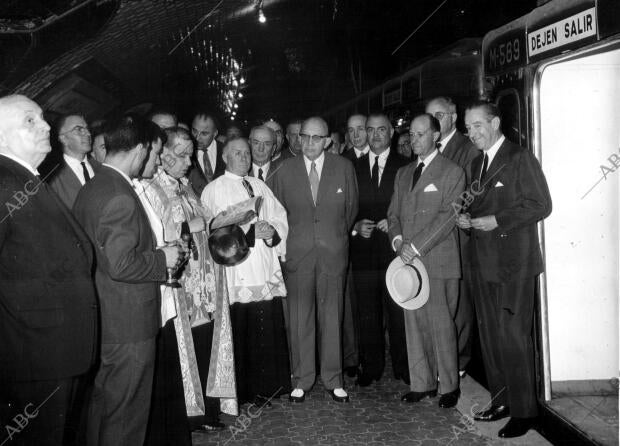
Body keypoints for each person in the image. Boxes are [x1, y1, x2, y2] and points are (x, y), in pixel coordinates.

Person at [74, 115, 183, 446]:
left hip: (108, 319)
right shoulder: (119, 194)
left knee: (105, 408)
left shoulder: (95, 186)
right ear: (141, 148)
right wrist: (162, 258)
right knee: (126, 416)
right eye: (155, 151)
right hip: (128, 323)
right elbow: (121, 264)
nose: (156, 160)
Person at [0, 94, 98, 446]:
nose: (45, 126)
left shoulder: (27, 179)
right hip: (30, 356)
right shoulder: (3, 181)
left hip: (54, 351)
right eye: (30, 121)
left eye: (42, 118)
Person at [458, 101, 551, 438]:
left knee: (512, 337)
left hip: (514, 265)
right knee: (492, 336)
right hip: (483, 262)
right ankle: (501, 401)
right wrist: (466, 220)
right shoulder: (475, 163)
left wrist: (496, 220)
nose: (472, 133)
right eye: (468, 128)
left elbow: (541, 204)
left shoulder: (518, 157)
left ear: (495, 122)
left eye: (478, 125)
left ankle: (525, 412)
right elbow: (474, 206)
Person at [141, 127, 235, 442]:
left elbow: (201, 221)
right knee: (185, 350)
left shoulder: (185, 184)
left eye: (190, 154)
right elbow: (158, 236)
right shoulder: (152, 189)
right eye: (182, 155)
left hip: (203, 283)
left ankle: (207, 412)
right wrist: (187, 227)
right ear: (163, 154)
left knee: (204, 342)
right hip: (180, 285)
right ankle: (190, 415)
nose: (188, 162)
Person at [273, 117, 358, 404]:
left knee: (333, 316)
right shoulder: (283, 170)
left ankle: (333, 379)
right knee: (300, 318)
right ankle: (302, 379)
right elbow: (277, 212)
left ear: (327, 141)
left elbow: (350, 211)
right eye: (303, 137)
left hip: (333, 255)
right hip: (298, 256)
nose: (308, 143)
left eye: (315, 138)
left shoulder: (343, 168)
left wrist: (331, 239)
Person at [202, 137, 291, 407]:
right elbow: (214, 232)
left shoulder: (259, 185)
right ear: (225, 157)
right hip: (237, 271)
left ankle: (267, 388)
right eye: (237, 153)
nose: (244, 157)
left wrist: (272, 231)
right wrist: (250, 233)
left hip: (263, 267)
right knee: (242, 328)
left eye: (246, 153)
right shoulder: (213, 190)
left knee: (265, 328)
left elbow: (279, 215)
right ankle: (243, 391)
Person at [387, 113, 465, 409]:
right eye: (411, 134)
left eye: (421, 134)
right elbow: (393, 214)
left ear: (435, 136)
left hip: (438, 261)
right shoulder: (404, 173)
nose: (414, 139)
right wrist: (397, 242)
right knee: (414, 323)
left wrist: (416, 246)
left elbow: (449, 216)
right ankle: (422, 383)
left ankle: (449, 386)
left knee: (442, 325)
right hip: (407, 262)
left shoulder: (452, 172)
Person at [350, 113, 409, 387]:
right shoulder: (352, 166)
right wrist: (355, 224)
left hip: (393, 251)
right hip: (363, 252)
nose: (374, 135)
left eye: (381, 130)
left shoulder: (406, 167)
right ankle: (371, 367)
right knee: (367, 312)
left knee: (398, 310)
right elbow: (345, 208)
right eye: (369, 130)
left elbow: (413, 207)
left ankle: (404, 367)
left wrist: (396, 221)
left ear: (391, 133)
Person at [426, 96, 480, 376]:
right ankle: (442, 360)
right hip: (432, 239)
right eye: (429, 116)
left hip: (456, 239)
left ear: (454, 116)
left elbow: (470, 194)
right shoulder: (427, 149)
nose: (434, 121)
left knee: (458, 304)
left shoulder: (467, 149)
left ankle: (457, 364)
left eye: (440, 115)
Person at [48, 114, 100, 209]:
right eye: (79, 129)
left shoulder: (101, 168)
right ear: (63, 139)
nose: (88, 133)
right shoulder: (53, 179)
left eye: (87, 129)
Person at [188, 112, 225, 196]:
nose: (197, 138)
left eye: (204, 133)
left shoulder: (226, 151)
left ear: (215, 133)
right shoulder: (184, 153)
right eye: (194, 131)